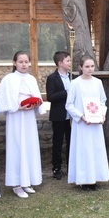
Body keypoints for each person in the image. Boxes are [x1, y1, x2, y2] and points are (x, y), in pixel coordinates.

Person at [0, 51, 45, 198]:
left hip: (28, 117)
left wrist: (36, 105)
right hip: (16, 117)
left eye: (26, 62)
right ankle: (17, 184)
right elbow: (3, 100)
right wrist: (17, 107)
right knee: (17, 147)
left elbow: (37, 97)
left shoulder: (31, 79)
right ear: (14, 63)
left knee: (29, 146)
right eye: (21, 61)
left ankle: (27, 181)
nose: (24, 64)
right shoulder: (8, 79)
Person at [65, 55, 109, 190]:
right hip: (82, 124)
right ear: (80, 67)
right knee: (83, 150)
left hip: (95, 124)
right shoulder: (75, 83)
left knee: (95, 149)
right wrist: (81, 116)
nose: (90, 69)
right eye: (87, 66)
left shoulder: (98, 82)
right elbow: (69, 104)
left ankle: (94, 178)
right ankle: (83, 180)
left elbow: (102, 101)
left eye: (92, 66)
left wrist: (102, 114)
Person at [46, 51, 74, 180]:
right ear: (60, 63)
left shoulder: (72, 77)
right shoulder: (52, 78)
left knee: (71, 142)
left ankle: (71, 166)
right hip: (59, 115)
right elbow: (50, 96)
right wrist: (66, 92)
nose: (70, 63)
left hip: (72, 116)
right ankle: (56, 168)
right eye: (67, 60)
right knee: (57, 142)